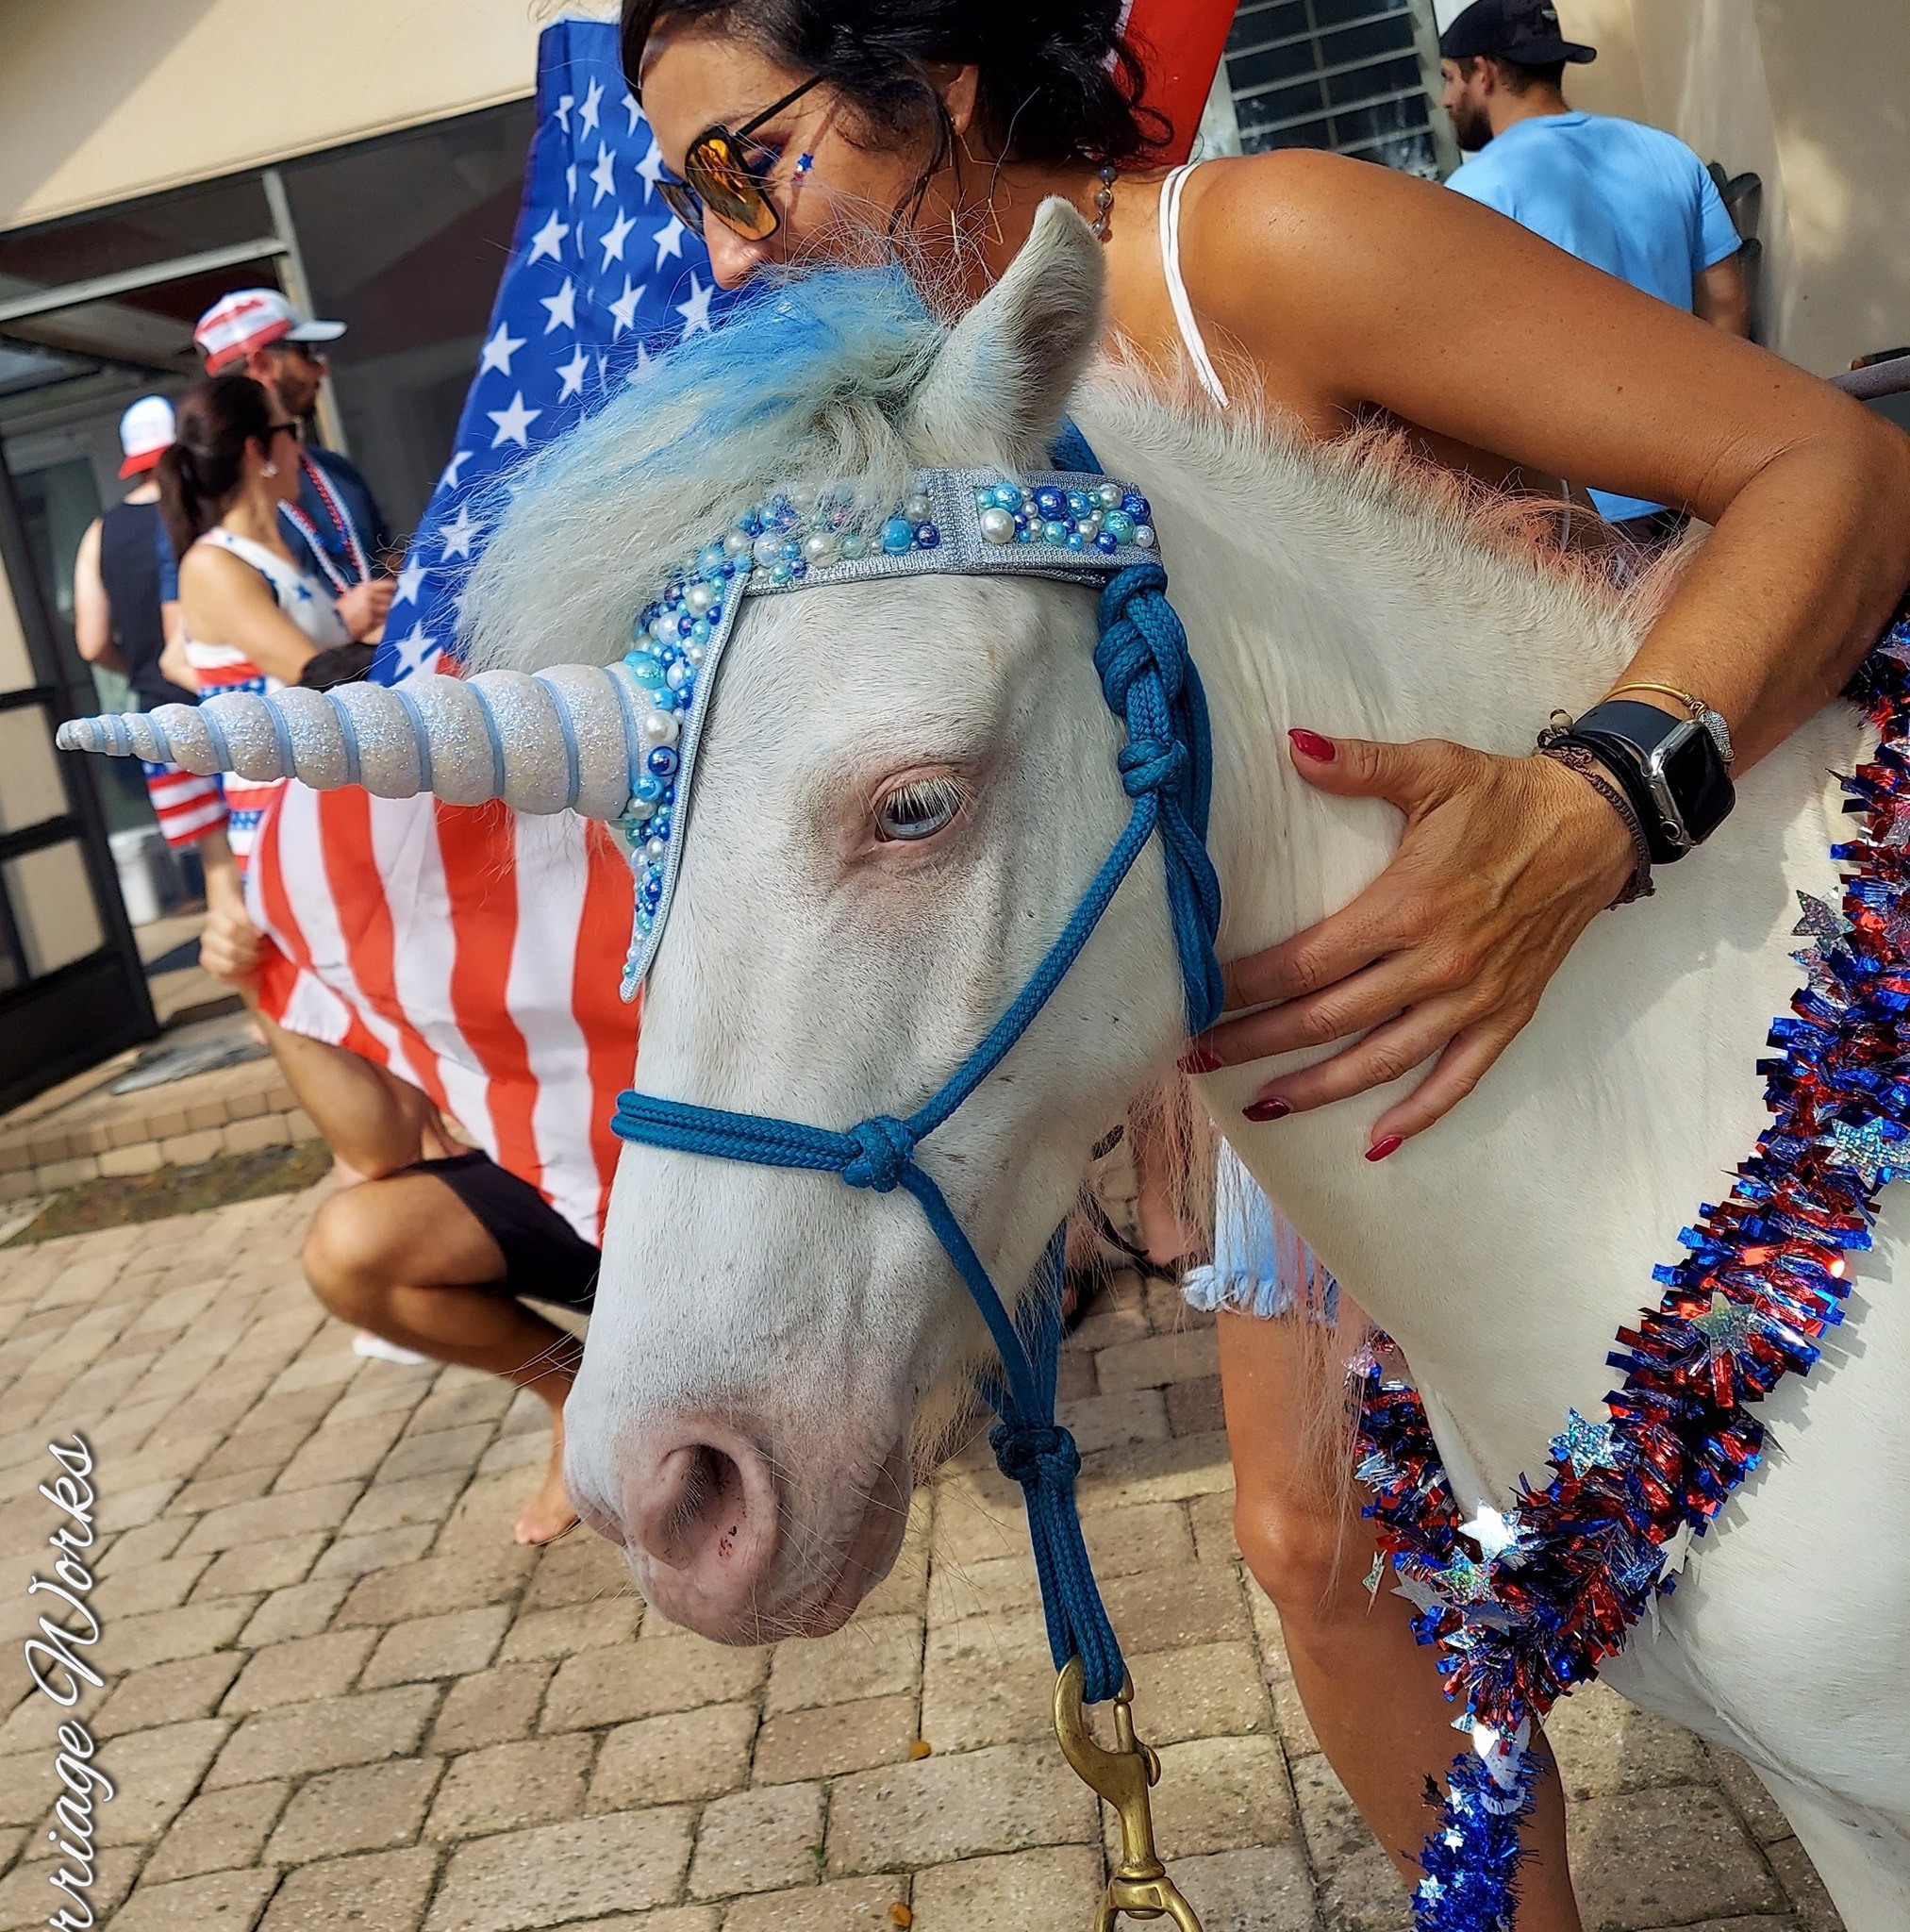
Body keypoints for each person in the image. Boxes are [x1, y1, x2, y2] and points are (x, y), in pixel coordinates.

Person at [623, 4, 1910, 1924]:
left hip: (1603, 952)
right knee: (1312, 1550)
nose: (721, 248)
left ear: (937, 75)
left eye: (748, 158)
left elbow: (1830, 464)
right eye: (682, 197)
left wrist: (1592, 802)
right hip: (1302, 1053)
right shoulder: (904, 432)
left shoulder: (1251, 249)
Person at [196, 893, 598, 1545]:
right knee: (353, 1249)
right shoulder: (359, 864)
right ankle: (579, 1401)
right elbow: (384, 1147)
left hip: (716, 1151)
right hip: (564, 1175)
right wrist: (259, 982)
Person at [1438, 0, 1750, 541]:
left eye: (1449, 78)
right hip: (1692, 483)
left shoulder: (1472, 196)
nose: (1445, 99)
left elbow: (1467, 371)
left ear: (1482, 72)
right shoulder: (1668, 154)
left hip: (1582, 510)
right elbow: (1728, 311)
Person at [156, 375, 352, 871]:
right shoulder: (212, 564)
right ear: (256, 449)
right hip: (286, 832)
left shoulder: (276, 552)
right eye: (290, 430)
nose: (300, 449)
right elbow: (317, 675)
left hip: (326, 811)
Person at [71, 395, 242, 912]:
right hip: (235, 703)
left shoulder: (100, 532)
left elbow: (92, 642)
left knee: (220, 870)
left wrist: (139, 666)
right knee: (271, 849)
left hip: (162, 720)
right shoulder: (208, 513)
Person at [188, 289, 394, 643]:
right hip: (313, 692)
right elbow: (184, 654)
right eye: (305, 353)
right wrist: (337, 625)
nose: (320, 369)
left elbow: (383, 558)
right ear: (262, 364)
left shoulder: (335, 468)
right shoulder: (205, 493)